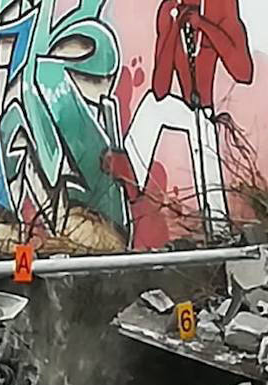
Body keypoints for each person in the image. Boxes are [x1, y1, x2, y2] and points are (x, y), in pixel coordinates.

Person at [105, 0, 253, 240]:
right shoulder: (168, 11)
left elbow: (243, 71)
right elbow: (160, 88)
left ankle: (220, 229)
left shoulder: (222, 6)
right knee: (154, 106)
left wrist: (204, 26)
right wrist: (173, 31)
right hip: (185, 106)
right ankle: (134, 172)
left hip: (206, 112)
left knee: (204, 134)